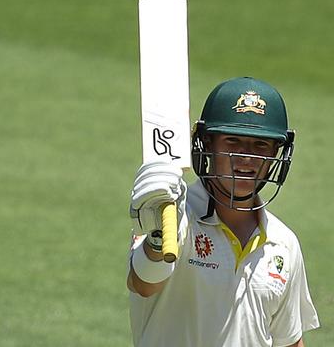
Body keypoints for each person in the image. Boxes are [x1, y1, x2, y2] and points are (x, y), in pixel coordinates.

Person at [127, 77, 320, 347]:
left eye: (261, 145)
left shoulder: (283, 243)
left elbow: (289, 340)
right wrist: (159, 234)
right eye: (232, 141)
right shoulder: (174, 214)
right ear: (207, 144)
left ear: (278, 152)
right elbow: (143, 284)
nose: (246, 157)